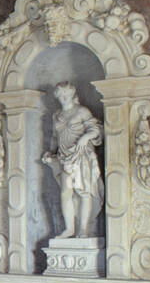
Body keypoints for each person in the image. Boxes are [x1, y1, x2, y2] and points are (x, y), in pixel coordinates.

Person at [42, 82, 104, 238]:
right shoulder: (56, 115)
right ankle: (70, 229)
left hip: (81, 155)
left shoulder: (82, 111)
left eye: (66, 94)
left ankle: (84, 229)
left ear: (72, 94)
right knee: (65, 193)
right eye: (60, 95)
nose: (63, 98)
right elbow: (55, 137)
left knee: (84, 192)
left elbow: (95, 129)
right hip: (64, 157)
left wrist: (85, 137)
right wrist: (51, 152)